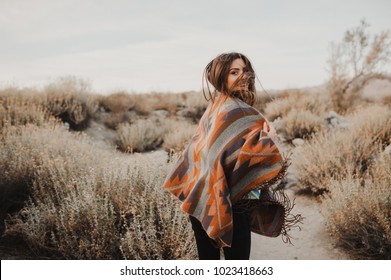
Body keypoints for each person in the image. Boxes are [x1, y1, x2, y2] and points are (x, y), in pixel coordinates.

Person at [163, 52, 301, 260]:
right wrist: (269, 139)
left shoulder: (216, 106)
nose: (243, 76)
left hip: (203, 200)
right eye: (234, 72)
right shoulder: (237, 111)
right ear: (221, 77)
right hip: (232, 205)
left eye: (245, 70)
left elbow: (212, 155)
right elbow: (242, 158)